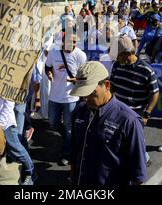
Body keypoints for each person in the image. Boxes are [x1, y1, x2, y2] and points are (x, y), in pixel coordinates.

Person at [69, 61, 147, 185]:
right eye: (83, 93)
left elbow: (138, 174)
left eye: (91, 93)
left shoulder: (129, 121)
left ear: (107, 85)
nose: (86, 98)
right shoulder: (80, 111)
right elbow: (74, 152)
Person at [110, 35, 160, 165]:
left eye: (118, 55)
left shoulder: (147, 70)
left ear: (127, 53)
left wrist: (147, 114)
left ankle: (142, 162)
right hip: (118, 111)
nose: (116, 58)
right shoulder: (117, 65)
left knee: (134, 141)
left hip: (136, 114)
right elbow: (112, 86)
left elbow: (155, 93)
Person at [45, 33, 87, 166]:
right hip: (55, 96)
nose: (73, 45)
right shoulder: (54, 52)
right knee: (53, 122)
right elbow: (47, 67)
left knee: (69, 127)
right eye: (70, 42)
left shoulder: (80, 55)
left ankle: (66, 153)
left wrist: (75, 79)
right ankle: (69, 139)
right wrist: (49, 73)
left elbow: (84, 77)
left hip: (71, 97)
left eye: (75, 42)